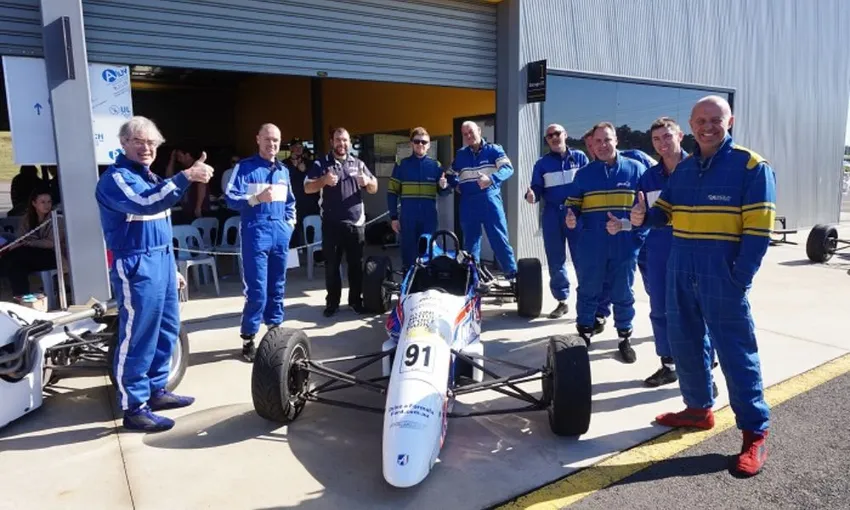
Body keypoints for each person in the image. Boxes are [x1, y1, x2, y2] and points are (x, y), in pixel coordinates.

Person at [631, 95, 775, 477]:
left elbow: (758, 234)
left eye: (715, 119)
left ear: (730, 121)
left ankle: (754, 432)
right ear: (691, 126)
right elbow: (666, 212)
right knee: (685, 344)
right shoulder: (685, 168)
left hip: (721, 275)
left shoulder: (750, 167)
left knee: (735, 353)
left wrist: (738, 280)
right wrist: (645, 214)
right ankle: (698, 409)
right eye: (700, 120)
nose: (707, 126)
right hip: (680, 268)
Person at [95, 116, 213, 432]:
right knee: (138, 335)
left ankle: (156, 390)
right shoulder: (116, 179)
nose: (147, 148)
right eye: (139, 141)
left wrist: (172, 268)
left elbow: (160, 226)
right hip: (136, 265)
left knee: (167, 328)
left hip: (160, 262)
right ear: (123, 143)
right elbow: (147, 204)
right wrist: (187, 176)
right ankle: (134, 407)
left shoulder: (150, 178)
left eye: (152, 143)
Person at [565, 122, 647, 363]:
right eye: (597, 141)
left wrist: (631, 229)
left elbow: (647, 210)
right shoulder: (584, 174)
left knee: (623, 291)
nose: (602, 145)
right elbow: (573, 204)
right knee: (589, 289)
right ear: (592, 145)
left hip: (624, 244)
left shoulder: (636, 170)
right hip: (591, 244)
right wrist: (571, 216)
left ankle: (624, 338)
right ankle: (584, 334)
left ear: (616, 140)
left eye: (607, 140)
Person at [224, 124, 297, 362]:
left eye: (276, 140)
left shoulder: (283, 171)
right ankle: (249, 337)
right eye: (267, 139)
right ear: (258, 139)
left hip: (279, 233)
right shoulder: (244, 168)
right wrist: (255, 198)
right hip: (255, 233)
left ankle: (274, 333)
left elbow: (290, 202)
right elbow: (230, 198)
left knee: (277, 286)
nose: (272, 144)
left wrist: (289, 224)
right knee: (257, 290)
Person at [636, 117, 688, 387]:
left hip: (694, 247)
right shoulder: (648, 177)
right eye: (656, 139)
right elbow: (643, 215)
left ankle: (702, 368)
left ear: (680, 135)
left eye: (667, 136)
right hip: (659, 249)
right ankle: (668, 365)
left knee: (695, 309)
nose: (662, 143)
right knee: (660, 308)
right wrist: (637, 217)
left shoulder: (698, 168)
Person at [304, 127, 378, 317]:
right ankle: (332, 303)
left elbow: (374, 187)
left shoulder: (358, 163)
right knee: (332, 267)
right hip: (331, 224)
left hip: (355, 224)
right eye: (338, 140)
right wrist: (323, 181)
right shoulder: (321, 163)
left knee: (355, 266)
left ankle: (355, 301)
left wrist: (367, 183)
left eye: (345, 140)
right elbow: (307, 188)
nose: (342, 144)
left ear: (349, 142)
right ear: (332, 142)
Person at [526, 123, 588, 318]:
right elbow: (536, 188)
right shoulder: (542, 164)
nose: (554, 137)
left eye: (557, 133)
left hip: (577, 213)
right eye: (549, 135)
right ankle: (562, 301)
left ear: (565, 135)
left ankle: (587, 299)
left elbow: (589, 184)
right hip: (552, 214)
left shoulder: (579, 158)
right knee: (555, 258)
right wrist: (532, 196)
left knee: (583, 257)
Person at [446, 121, 518, 279]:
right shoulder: (461, 154)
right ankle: (473, 280)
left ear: (479, 130)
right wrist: (456, 185)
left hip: (489, 201)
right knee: (470, 244)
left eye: (471, 132)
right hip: (468, 203)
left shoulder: (494, 150)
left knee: (499, 239)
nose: (468, 136)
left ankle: (513, 278)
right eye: (465, 134)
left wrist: (491, 179)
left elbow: (508, 169)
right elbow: (450, 174)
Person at [387, 127, 450, 268]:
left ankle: (425, 287)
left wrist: (443, 186)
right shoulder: (401, 165)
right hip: (408, 218)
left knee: (428, 254)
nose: (420, 144)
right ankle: (408, 287)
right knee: (408, 256)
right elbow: (392, 192)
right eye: (417, 141)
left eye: (424, 142)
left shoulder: (435, 165)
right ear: (411, 144)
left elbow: (444, 193)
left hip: (429, 218)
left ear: (428, 145)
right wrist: (393, 217)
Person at [0, 187, 68, 295]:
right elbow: (21, 238)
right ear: (34, 203)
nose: (46, 205)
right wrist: (29, 242)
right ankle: (21, 296)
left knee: (17, 254)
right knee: (17, 266)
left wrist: (30, 242)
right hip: (29, 256)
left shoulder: (57, 219)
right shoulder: (26, 219)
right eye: (42, 202)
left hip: (54, 256)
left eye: (49, 202)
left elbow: (51, 242)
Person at [284, 138, 319, 248]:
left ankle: (315, 255)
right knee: (293, 229)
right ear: (291, 148)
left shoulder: (309, 163)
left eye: (300, 147)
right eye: (296, 147)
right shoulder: (284, 164)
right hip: (293, 202)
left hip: (310, 201)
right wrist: (294, 168)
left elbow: (315, 178)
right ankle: (293, 258)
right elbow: (283, 180)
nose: (299, 149)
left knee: (312, 229)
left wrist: (305, 171)